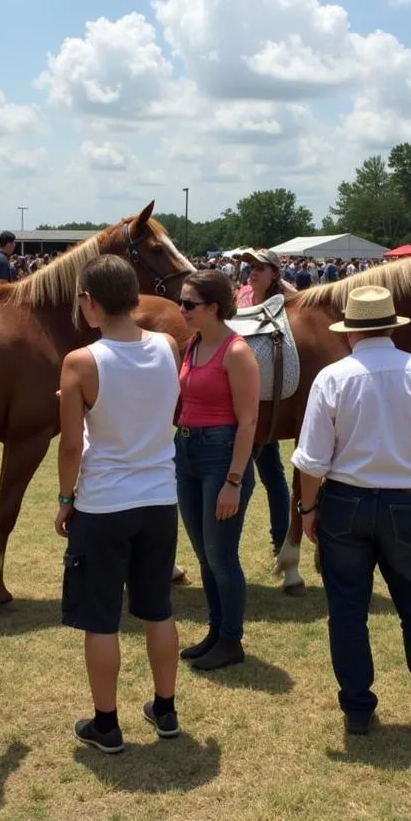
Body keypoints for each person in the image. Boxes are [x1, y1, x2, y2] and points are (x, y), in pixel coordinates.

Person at [292, 285, 411, 734]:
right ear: (390, 326)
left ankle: (358, 707)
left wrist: (308, 509)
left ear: (351, 331)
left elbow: (311, 458)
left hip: (345, 501)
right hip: (406, 503)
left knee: (347, 609)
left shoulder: (333, 377)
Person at [55, 255, 182, 754]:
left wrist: (66, 497)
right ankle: (165, 707)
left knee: (101, 618)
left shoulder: (81, 361)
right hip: (158, 498)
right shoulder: (169, 345)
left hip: (105, 501)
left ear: (89, 301)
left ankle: (107, 723)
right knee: (158, 610)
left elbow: (70, 445)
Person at [175, 270, 260, 670]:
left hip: (221, 457)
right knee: (205, 555)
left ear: (213, 307)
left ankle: (231, 640)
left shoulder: (236, 351)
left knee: (221, 555)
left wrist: (233, 480)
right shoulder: (191, 345)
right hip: (187, 453)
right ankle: (216, 630)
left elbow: (248, 422)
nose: (181, 310)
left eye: (189, 304)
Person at [237, 250, 296, 557]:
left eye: (260, 268)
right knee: (260, 476)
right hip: (247, 404)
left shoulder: (289, 304)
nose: (253, 272)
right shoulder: (241, 299)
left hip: (269, 403)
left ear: (275, 272)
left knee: (267, 477)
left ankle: (280, 540)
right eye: (251, 267)